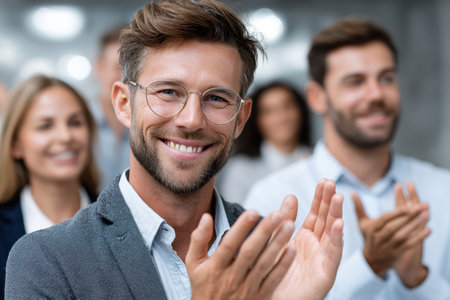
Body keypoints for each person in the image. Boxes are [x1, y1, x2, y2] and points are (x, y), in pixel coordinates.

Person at [5, 1, 344, 299]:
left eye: (216, 98)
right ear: (124, 104)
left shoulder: (273, 253)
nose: (192, 120)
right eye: (168, 92)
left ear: (241, 119)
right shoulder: (46, 260)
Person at [245, 17, 450, 299]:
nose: (376, 94)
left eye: (386, 78)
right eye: (355, 82)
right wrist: (370, 267)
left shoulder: (443, 190)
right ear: (317, 97)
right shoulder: (273, 199)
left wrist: (417, 279)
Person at [0, 74, 99, 297]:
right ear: (15, 144)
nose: (65, 136)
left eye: (75, 122)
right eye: (45, 126)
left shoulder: (123, 221)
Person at [218, 81, 312, 204]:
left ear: (300, 111)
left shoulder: (317, 160)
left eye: (287, 106)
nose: (281, 117)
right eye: (269, 111)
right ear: (256, 120)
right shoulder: (241, 170)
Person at [93, 24, 130, 188]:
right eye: (118, 67)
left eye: (132, 69)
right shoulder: (77, 124)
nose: (125, 78)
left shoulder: (150, 128)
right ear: (99, 68)